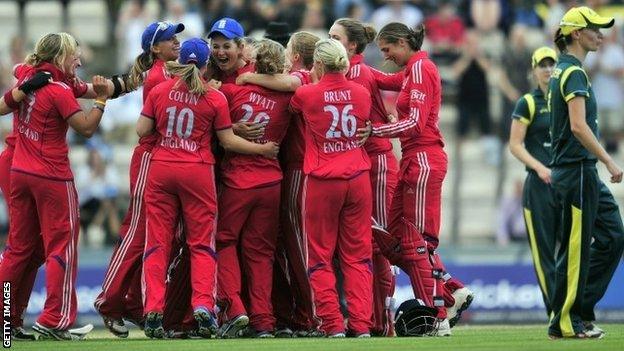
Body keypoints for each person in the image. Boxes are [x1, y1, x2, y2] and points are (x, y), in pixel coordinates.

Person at [138, 38, 279, 339]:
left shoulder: (161, 90)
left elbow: (142, 130)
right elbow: (227, 142)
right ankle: (204, 305)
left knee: (158, 243)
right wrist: (263, 150)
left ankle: (152, 309)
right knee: (202, 244)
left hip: (163, 168)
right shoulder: (214, 98)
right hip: (198, 171)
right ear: (205, 65)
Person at [0, 32, 109, 340]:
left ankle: (6, 320)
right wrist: (100, 100)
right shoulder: (59, 91)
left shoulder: (28, 75)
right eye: (74, 54)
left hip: (19, 172)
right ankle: (54, 319)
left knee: (19, 250)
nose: (79, 59)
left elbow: (19, 67)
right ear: (61, 56)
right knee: (61, 246)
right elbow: (87, 128)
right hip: (52, 177)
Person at [369, 22, 473, 336]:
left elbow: (414, 123)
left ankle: (439, 316)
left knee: (418, 242)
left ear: (402, 42)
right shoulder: (416, 67)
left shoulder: (420, 69)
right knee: (397, 238)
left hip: (423, 158)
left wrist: (375, 130)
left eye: (387, 49)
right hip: (415, 159)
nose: (386, 57)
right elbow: (385, 79)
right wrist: (351, 67)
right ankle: (451, 290)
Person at [94, 20, 185, 337]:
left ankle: (131, 302)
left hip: (159, 156)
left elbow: (127, 82)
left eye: (177, 37)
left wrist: (114, 87)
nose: (177, 42)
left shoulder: (162, 71)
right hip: (150, 155)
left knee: (150, 236)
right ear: (155, 48)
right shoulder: (163, 75)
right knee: (137, 232)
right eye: (170, 39)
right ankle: (109, 300)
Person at [235, 31, 321, 336]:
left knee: (297, 247)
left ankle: (312, 314)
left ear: (296, 55)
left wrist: (246, 79)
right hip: (281, 172)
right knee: (279, 249)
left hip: (295, 170)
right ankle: (290, 314)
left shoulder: (300, 80)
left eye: (289, 50)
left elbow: (289, 83)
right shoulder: (291, 85)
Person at [547, 6, 624, 339]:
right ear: (576, 33)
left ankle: (578, 309)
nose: (601, 34)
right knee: (578, 248)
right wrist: (608, 159)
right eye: (595, 28)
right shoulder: (573, 73)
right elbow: (578, 126)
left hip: (581, 172)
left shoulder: (570, 70)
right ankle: (567, 321)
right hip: (577, 170)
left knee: (613, 236)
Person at [290, 38, 373, 338]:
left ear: (320, 64)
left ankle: (332, 323)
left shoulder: (307, 94)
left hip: (324, 180)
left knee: (320, 255)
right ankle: (362, 325)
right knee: (358, 255)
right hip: (358, 179)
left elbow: (294, 104)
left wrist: (313, 77)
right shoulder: (362, 93)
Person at [216, 39, 293, 339]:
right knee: (261, 253)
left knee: (224, 242)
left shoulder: (231, 91)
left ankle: (235, 309)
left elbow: (202, 97)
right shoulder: (289, 98)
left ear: (255, 62)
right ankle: (264, 321)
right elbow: (300, 86)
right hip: (271, 181)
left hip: (237, 180)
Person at [328, 17, 398, 337]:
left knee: (381, 243)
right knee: (369, 245)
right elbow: (397, 81)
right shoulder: (353, 72)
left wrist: (391, 119)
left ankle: (386, 320)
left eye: (334, 37)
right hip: (362, 165)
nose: (327, 42)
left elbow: (401, 80)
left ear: (352, 46)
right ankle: (373, 319)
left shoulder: (357, 72)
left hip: (378, 161)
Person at [508, 46, 558, 317]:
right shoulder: (527, 102)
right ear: (534, 70)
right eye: (543, 65)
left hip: (567, 182)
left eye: (552, 64)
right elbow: (515, 145)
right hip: (539, 185)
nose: (548, 70)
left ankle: (574, 310)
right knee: (544, 253)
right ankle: (556, 314)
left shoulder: (568, 100)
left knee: (573, 250)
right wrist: (540, 168)